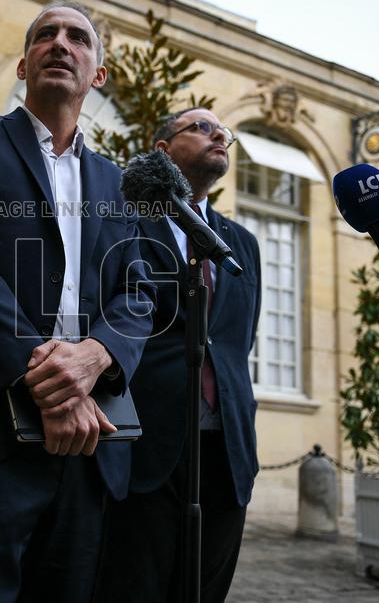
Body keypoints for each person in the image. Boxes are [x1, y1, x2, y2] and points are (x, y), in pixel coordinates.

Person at [0, 1, 155, 602]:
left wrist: (96, 356)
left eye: (78, 38)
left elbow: (139, 292)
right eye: (46, 35)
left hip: (91, 444)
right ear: (23, 65)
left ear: (98, 74)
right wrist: (48, 379)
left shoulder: (118, 182)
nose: (61, 44)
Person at [97, 107, 262, 603]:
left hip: (226, 449)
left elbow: (238, 338)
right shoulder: (126, 223)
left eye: (223, 132)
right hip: (146, 442)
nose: (218, 137)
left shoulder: (242, 243)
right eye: (201, 128)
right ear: (163, 149)